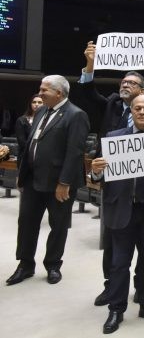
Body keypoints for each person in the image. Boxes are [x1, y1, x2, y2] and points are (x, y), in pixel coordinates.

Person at [77, 40, 144, 306]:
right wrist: (90, 63)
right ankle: (112, 290)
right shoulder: (110, 105)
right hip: (117, 192)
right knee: (114, 250)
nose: (124, 85)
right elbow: (87, 92)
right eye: (123, 82)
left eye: (131, 83)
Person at [89, 94, 144, 334]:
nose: (141, 112)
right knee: (119, 263)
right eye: (137, 108)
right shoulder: (113, 138)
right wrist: (95, 172)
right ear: (131, 111)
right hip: (122, 209)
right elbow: (99, 176)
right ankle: (116, 309)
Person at [6, 75, 90, 286]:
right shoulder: (42, 110)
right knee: (26, 223)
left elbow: (74, 152)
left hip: (58, 184)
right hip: (33, 179)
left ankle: (53, 265)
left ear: (59, 93)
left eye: (44, 90)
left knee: (58, 225)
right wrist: (22, 174)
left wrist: (64, 182)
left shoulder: (76, 115)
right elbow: (30, 146)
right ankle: (25, 265)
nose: (40, 94)